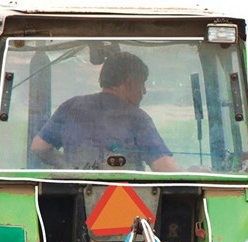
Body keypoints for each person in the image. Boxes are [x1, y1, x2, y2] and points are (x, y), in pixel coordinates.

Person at [30, 52, 181, 172]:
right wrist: (189, 173)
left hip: (74, 196)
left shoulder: (70, 108)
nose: (144, 91)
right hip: (125, 197)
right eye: (142, 84)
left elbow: (39, 147)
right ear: (129, 83)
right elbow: (163, 166)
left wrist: (70, 167)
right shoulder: (137, 118)